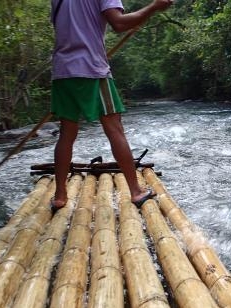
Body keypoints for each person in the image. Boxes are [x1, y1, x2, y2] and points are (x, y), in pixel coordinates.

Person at [50, 0, 173, 211]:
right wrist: (154, 7)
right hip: (92, 70)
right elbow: (119, 23)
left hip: (62, 71)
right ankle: (136, 191)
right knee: (115, 128)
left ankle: (60, 196)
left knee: (66, 134)